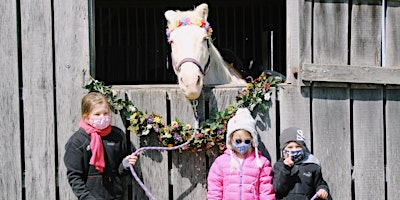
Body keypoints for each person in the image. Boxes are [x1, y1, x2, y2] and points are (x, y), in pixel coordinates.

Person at [64, 92, 138, 200]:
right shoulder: (78, 141)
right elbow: (74, 176)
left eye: (105, 113)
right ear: (86, 116)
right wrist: (87, 197)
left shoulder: (117, 135)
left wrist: (125, 165)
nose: (102, 117)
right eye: (97, 114)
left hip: (115, 196)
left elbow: (118, 169)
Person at [207, 108, 275, 200]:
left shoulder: (261, 163)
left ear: (252, 140)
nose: (242, 144)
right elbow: (214, 191)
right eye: (238, 141)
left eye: (247, 141)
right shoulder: (221, 163)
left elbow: (266, 192)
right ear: (230, 139)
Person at [273, 127, 331, 200]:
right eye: (290, 147)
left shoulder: (312, 165)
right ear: (283, 150)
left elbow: (320, 183)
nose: (294, 150)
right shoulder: (279, 165)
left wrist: (322, 189)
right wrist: (286, 168)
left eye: (298, 146)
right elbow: (278, 189)